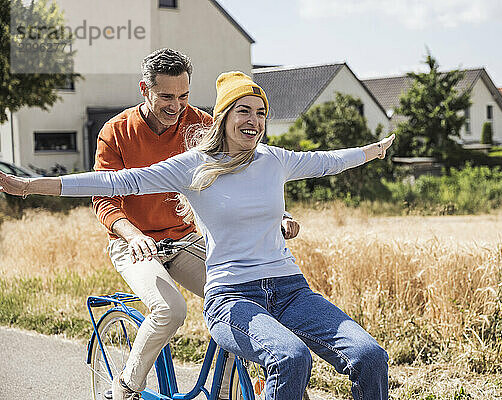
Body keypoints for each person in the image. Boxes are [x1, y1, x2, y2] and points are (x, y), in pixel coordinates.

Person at [0, 71, 394, 400]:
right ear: (223, 117)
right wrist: (31, 186)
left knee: (370, 355)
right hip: (232, 294)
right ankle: (127, 386)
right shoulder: (194, 165)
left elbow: (330, 161)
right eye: (244, 111)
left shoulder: (275, 160)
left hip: (290, 289)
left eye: (261, 113)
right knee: (289, 357)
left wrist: (373, 150)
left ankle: (227, 388)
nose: (254, 121)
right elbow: (118, 180)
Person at [89, 48, 299, 400]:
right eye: (166, 97)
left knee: (241, 300)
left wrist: (279, 214)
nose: (176, 106)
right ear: (145, 89)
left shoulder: (201, 124)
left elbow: (245, 171)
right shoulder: (117, 132)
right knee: (170, 309)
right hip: (133, 243)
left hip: (185, 240)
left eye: (183, 96)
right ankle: (125, 386)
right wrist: (134, 234)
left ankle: (225, 391)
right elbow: (104, 199)